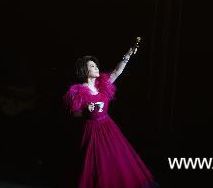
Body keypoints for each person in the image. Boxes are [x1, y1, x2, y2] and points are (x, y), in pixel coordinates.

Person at [63, 47, 157, 188]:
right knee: (97, 164)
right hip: (92, 131)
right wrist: (85, 110)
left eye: (96, 65)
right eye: (92, 66)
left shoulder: (102, 85)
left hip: (108, 127)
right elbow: (74, 114)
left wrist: (127, 55)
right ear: (85, 71)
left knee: (116, 160)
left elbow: (117, 71)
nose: (96, 68)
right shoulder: (78, 91)